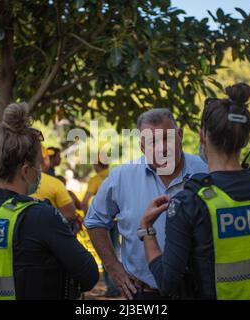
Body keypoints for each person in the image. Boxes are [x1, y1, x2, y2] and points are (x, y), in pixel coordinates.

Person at [140, 83, 250, 300]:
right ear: (246, 139)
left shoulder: (189, 201)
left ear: (201, 137)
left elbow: (167, 283)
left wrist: (147, 230)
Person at [0, 102, 98, 299]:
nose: (41, 171)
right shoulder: (39, 216)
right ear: (26, 170)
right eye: (39, 164)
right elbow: (89, 275)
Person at [85, 108, 208, 300]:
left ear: (180, 135)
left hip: (198, 292)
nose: (162, 148)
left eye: (166, 138)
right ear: (142, 147)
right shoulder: (121, 178)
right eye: (152, 142)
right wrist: (114, 269)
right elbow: (94, 222)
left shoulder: (205, 171)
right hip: (144, 294)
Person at [82, 159, 120, 297]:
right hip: (117, 220)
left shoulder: (95, 179)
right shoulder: (115, 174)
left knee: (106, 253)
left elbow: (84, 202)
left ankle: (113, 288)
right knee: (117, 252)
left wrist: (89, 219)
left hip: (102, 223)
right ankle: (122, 285)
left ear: (97, 165)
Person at [30, 146, 77, 222]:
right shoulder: (55, 183)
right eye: (58, 156)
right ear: (46, 160)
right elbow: (70, 214)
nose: (60, 159)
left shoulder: (19, 180)